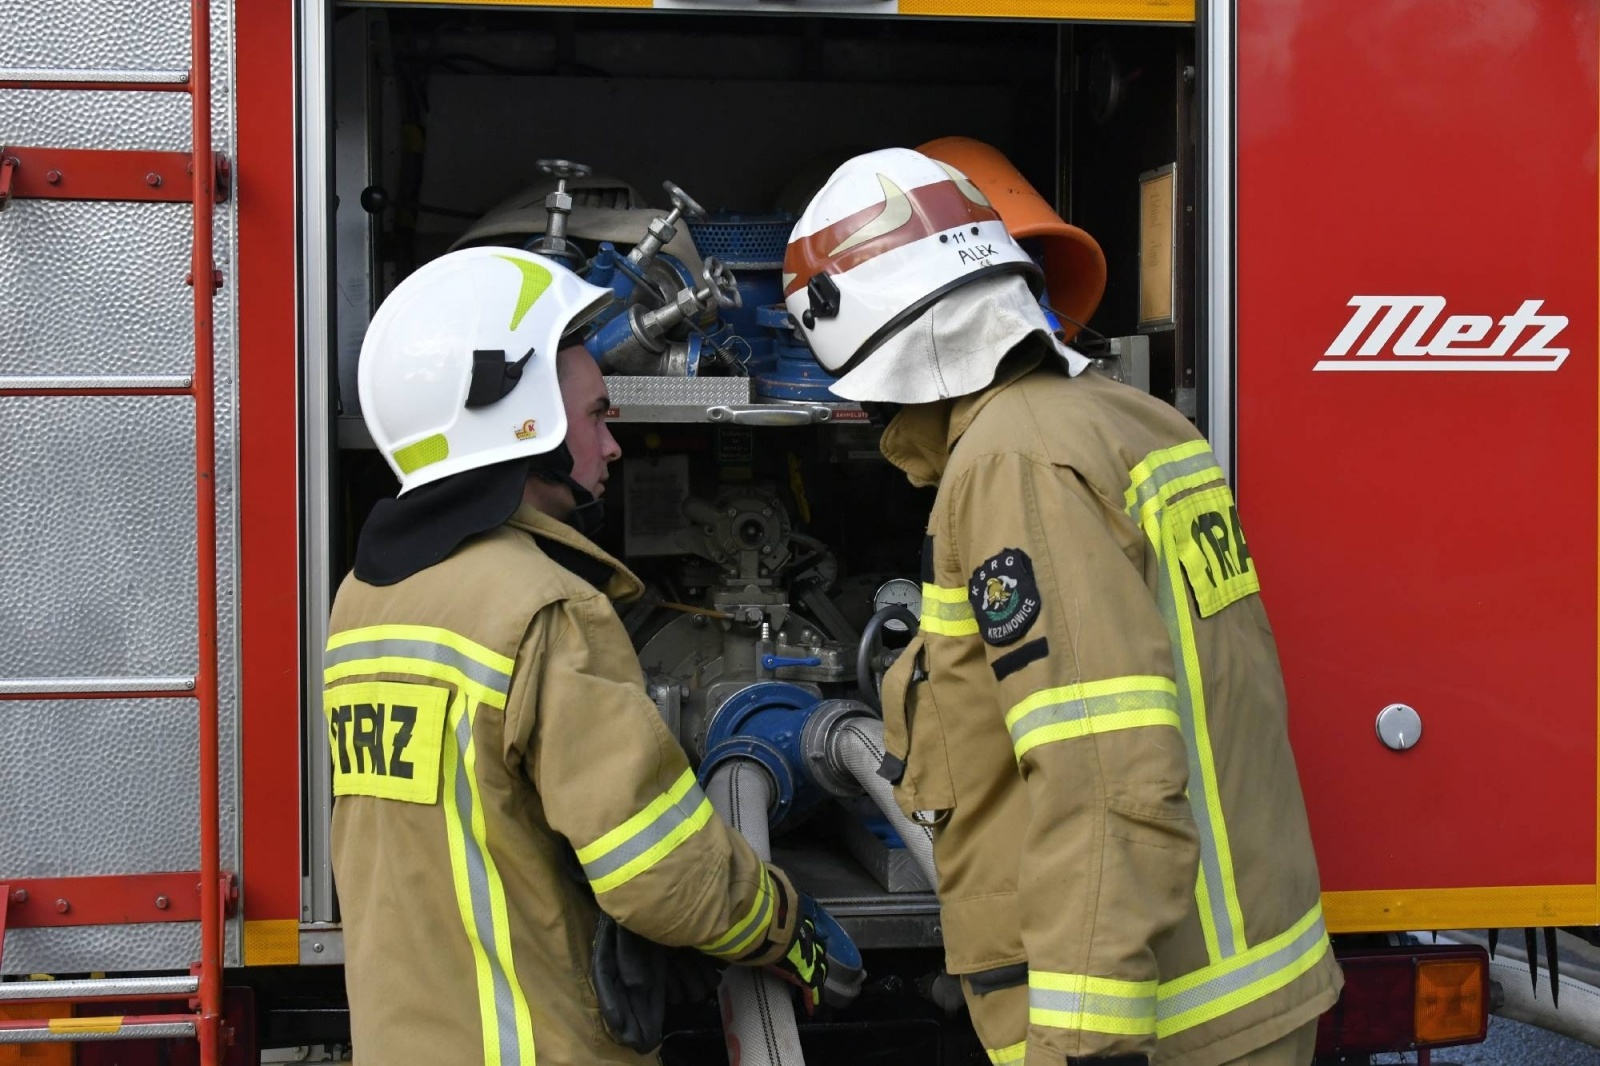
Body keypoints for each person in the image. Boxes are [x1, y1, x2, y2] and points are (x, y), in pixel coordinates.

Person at [782, 148, 1342, 1066]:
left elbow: (1103, 766)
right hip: (1243, 986)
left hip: (1162, 1025)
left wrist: (1084, 1041)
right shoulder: (1131, 418)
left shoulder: (1015, 461)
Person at [325, 245, 849, 1065]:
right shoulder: (544, 607)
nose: (612, 447)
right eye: (598, 416)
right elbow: (659, 870)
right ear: (520, 418)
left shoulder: (365, 600)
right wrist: (785, 927)